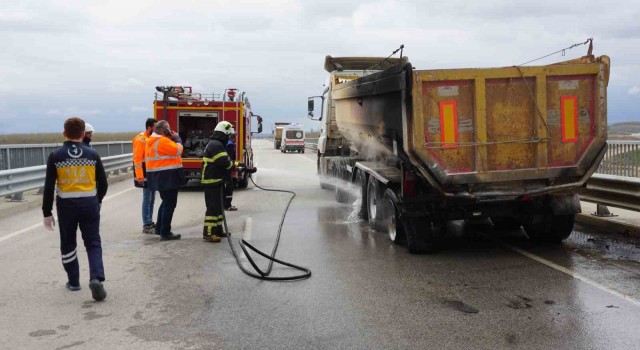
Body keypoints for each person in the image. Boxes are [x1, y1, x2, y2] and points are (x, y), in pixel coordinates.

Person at [42, 117, 108, 301]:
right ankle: (96, 278)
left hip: (66, 206)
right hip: (89, 204)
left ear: (64, 133)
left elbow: (48, 187)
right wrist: (98, 200)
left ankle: (73, 281)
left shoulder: (56, 156)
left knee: (68, 243)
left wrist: (46, 212)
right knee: (93, 242)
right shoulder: (92, 154)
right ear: (82, 133)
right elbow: (103, 183)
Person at [145, 120, 184, 241]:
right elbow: (178, 150)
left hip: (158, 176)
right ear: (164, 130)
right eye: (168, 129)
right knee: (170, 204)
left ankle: (159, 228)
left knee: (165, 202)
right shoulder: (162, 141)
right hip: (167, 176)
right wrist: (177, 139)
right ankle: (165, 232)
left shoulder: (152, 141)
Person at [201, 121, 238, 242]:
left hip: (217, 180)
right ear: (223, 134)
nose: (229, 138)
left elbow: (226, 161)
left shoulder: (217, 144)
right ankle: (209, 233)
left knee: (219, 207)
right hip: (211, 180)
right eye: (228, 135)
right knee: (212, 208)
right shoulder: (215, 145)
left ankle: (218, 229)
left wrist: (236, 164)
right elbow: (224, 162)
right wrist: (233, 165)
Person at [133, 118, 158, 234]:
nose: (156, 129)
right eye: (155, 127)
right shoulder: (140, 140)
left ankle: (149, 221)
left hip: (150, 172)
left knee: (151, 198)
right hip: (144, 172)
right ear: (149, 127)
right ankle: (146, 224)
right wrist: (139, 177)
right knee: (147, 198)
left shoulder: (149, 138)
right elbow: (137, 160)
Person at [224, 133, 237, 211]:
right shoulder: (230, 145)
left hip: (225, 170)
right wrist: (233, 166)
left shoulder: (226, 143)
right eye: (235, 137)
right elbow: (230, 158)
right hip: (227, 170)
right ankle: (227, 205)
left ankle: (226, 204)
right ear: (233, 137)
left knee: (227, 187)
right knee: (229, 188)